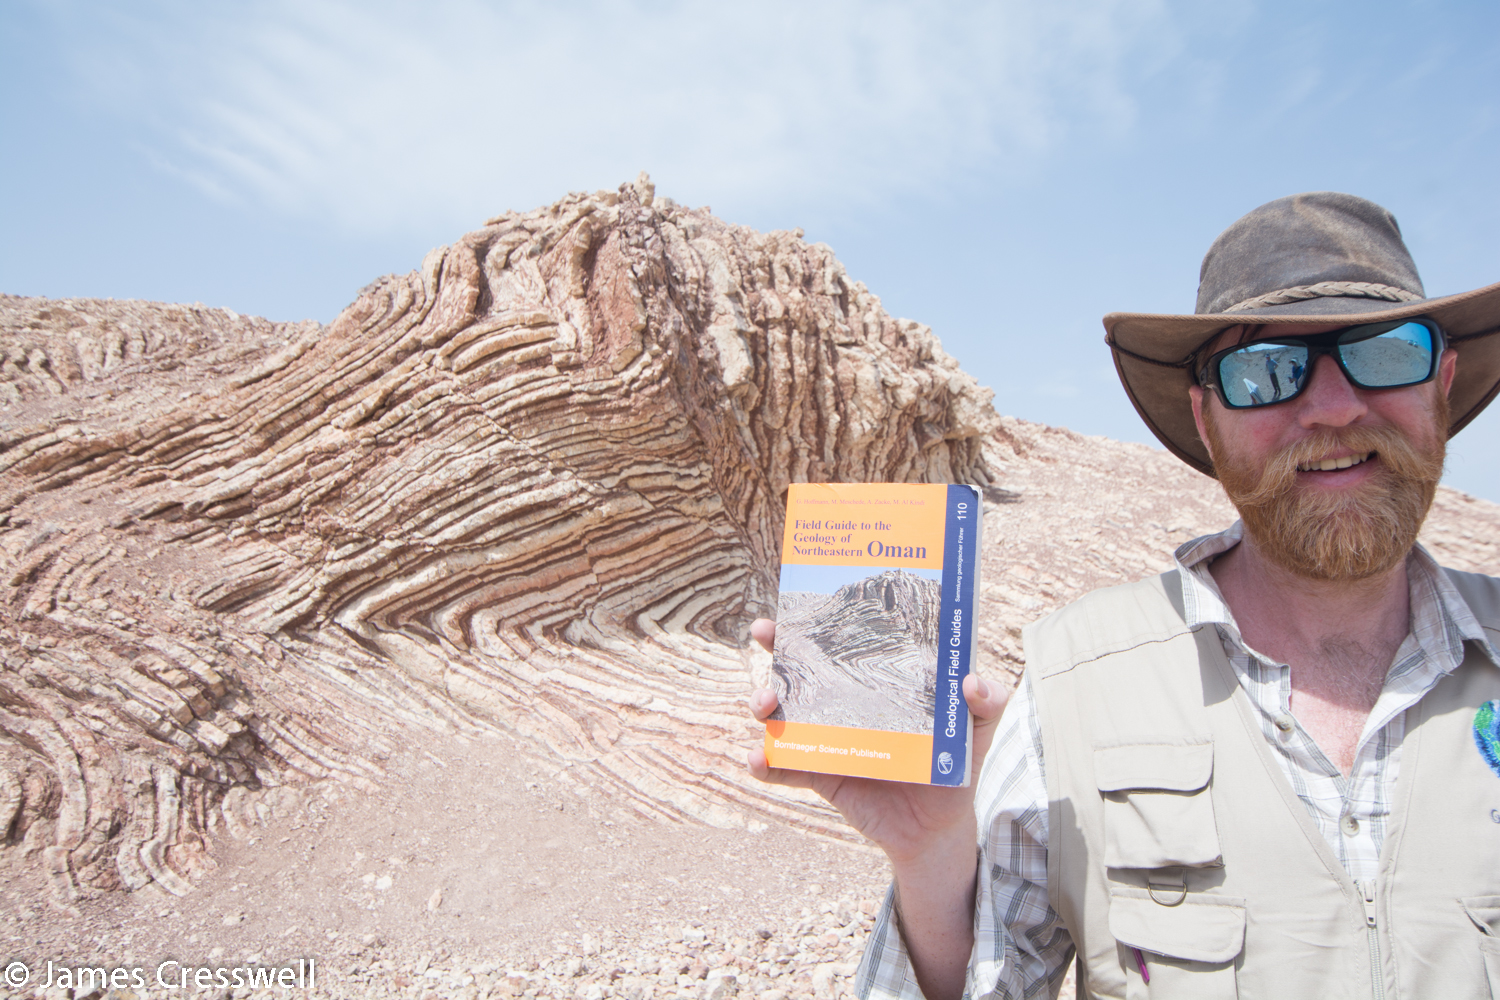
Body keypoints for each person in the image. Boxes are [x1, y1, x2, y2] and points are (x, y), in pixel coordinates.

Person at [746, 192, 1500, 998]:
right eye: (1265, 371)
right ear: (1207, 423)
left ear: (1442, 386)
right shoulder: (1071, 687)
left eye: (1385, 354)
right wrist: (931, 857)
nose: (1334, 407)